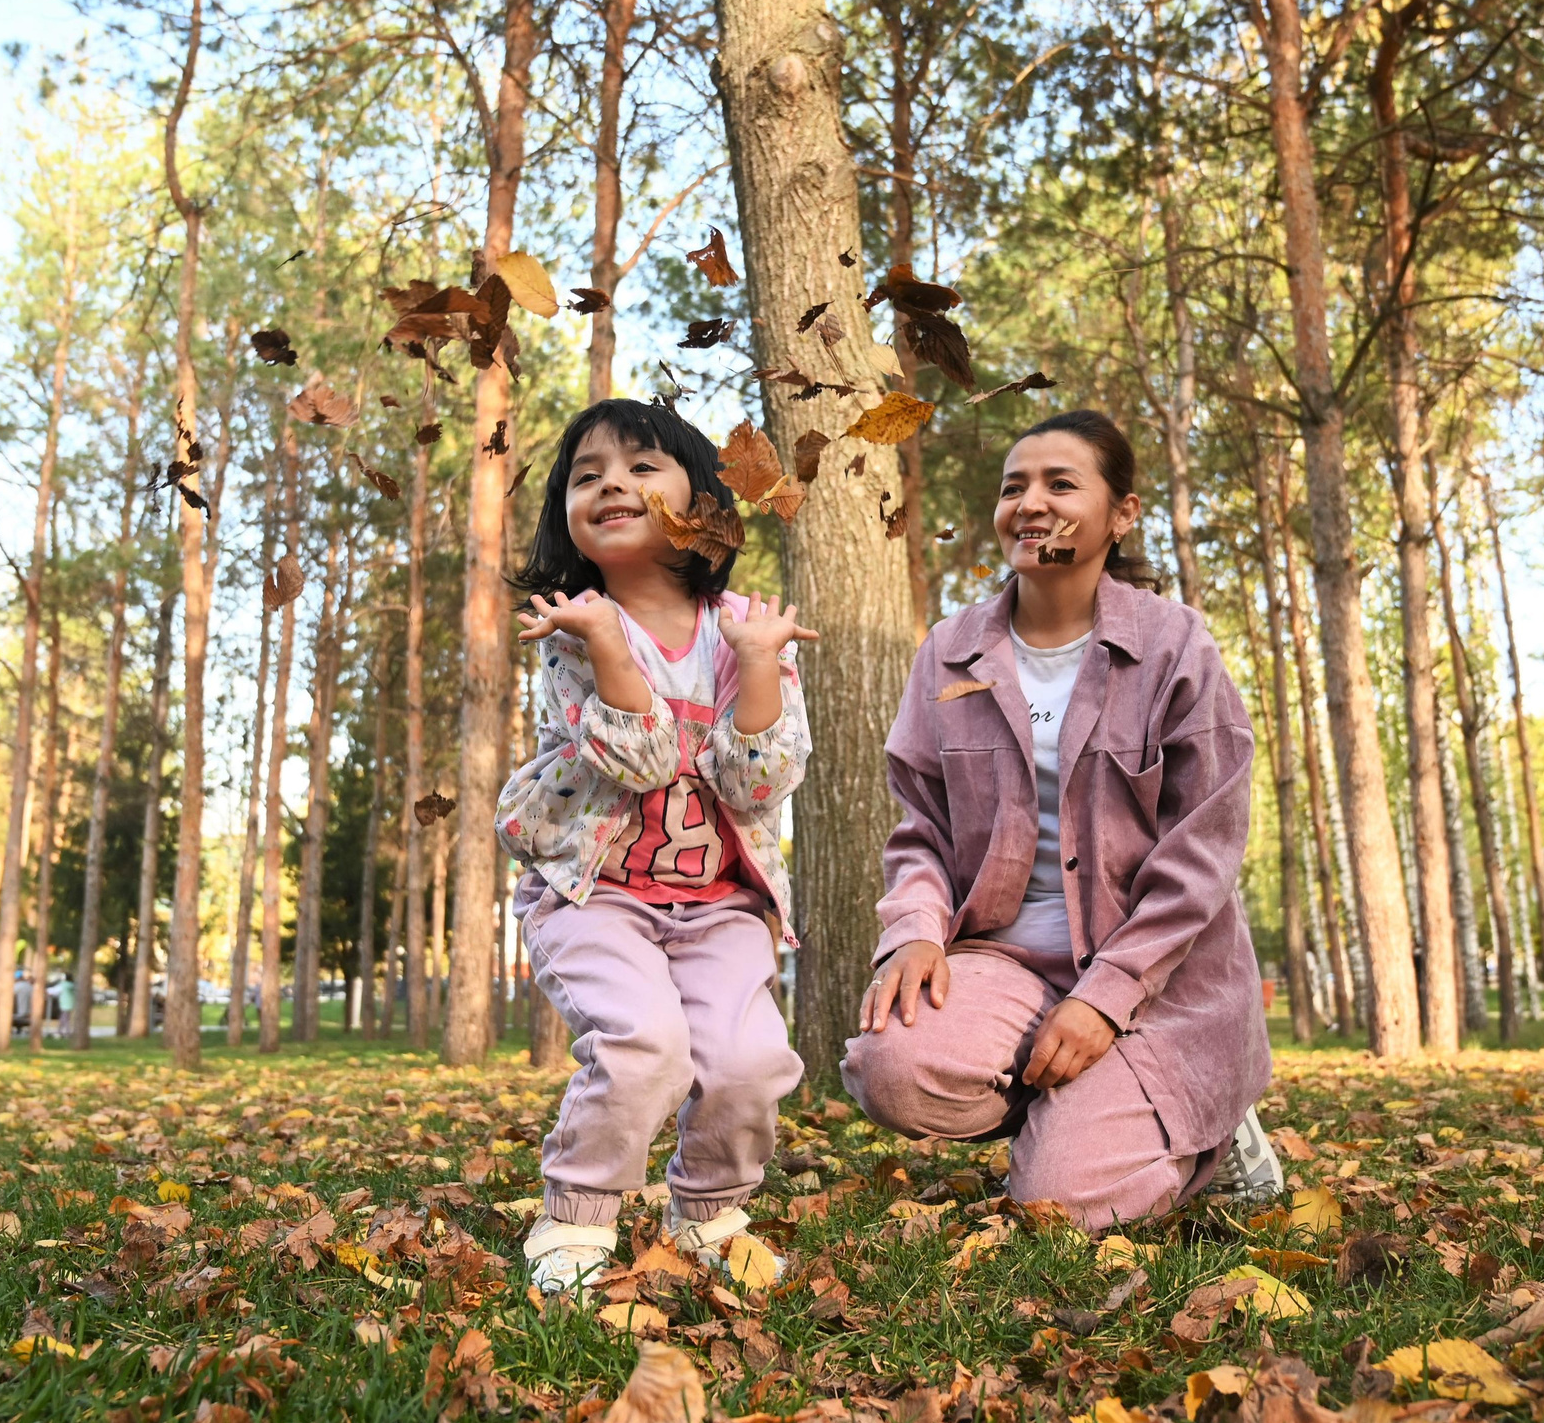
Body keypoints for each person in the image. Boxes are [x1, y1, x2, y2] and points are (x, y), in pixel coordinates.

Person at [842, 410, 1282, 1229]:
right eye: (1014, 488)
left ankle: (1206, 1132)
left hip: (1159, 980)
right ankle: (1079, 1116)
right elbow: (921, 829)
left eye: (1060, 484)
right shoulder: (949, 650)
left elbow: (1204, 856)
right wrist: (914, 932)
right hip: (1008, 962)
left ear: (1122, 514)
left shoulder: (1177, 648)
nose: (1030, 504)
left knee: (1059, 1202)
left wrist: (1105, 998)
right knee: (889, 1066)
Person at [497, 398, 816, 1294]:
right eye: (586, 476)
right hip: (595, 894)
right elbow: (636, 762)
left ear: (701, 499)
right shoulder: (573, 630)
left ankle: (710, 1210)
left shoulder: (751, 626)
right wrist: (603, 641)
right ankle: (576, 1219)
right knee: (644, 1045)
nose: (611, 485)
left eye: (642, 467)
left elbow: (759, 783)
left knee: (747, 1060)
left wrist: (758, 664)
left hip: (721, 903)